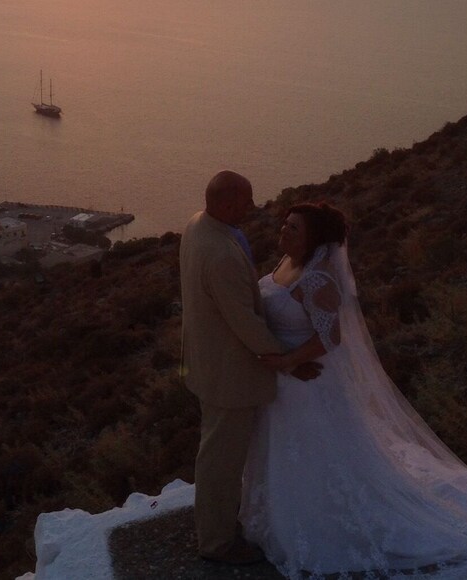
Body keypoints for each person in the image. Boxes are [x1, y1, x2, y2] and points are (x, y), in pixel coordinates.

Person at [239, 202, 467, 579]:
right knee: (289, 450)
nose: (283, 232)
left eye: (294, 228)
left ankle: (327, 526)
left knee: (317, 452)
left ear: (315, 239)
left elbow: (331, 337)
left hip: (310, 380)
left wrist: (288, 360)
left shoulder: (318, 278)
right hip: (285, 377)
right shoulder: (283, 264)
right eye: (285, 225)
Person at [179, 171, 320, 566]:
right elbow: (243, 320)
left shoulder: (197, 225)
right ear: (226, 204)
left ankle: (219, 527)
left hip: (206, 363)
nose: (252, 208)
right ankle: (217, 543)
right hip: (228, 375)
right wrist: (288, 362)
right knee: (220, 462)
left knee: (216, 453)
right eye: (246, 202)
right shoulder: (221, 253)